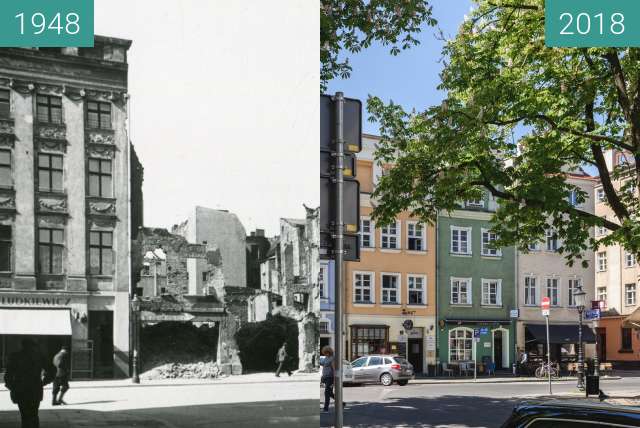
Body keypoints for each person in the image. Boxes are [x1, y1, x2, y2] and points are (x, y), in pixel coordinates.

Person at [4, 338, 46, 428]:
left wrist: (13, 387)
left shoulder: (15, 356)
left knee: (25, 416)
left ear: (22, 345)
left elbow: (7, 376)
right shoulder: (39, 356)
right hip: (35, 390)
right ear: (33, 346)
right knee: (34, 415)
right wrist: (43, 382)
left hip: (20, 390)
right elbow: (52, 371)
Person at [319, 346, 346, 412]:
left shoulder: (332, 359)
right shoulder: (326, 358)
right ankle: (342, 403)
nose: (325, 354)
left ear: (329, 352)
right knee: (330, 393)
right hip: (325, 378)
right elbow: (323, 364)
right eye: (324, 353)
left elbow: (334, 370)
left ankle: (326, 408)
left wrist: (334, 381)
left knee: (326, 393)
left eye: (327, 353)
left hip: (330, 378)